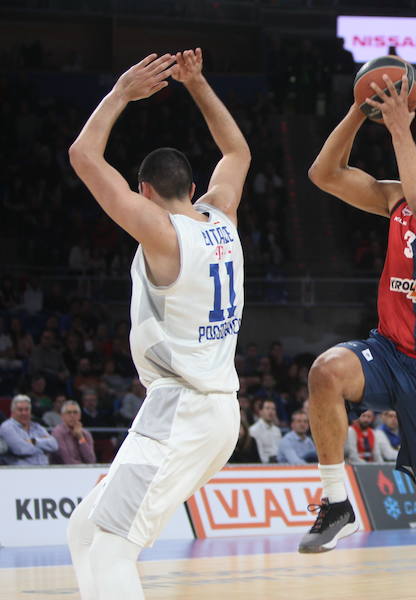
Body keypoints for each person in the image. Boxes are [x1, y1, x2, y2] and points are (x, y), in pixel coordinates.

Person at [66, 48, 250, 600]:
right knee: (84, 527)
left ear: (145, 192)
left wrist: (122, 92)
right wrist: (196, 84)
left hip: (182, 409)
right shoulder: (222, 214)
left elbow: (82, 154)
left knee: (113, 548)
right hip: (213, 411)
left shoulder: (160, 233)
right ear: (193, 189)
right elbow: (236, 149)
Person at [303, 71, 416, 600]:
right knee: (325, 372)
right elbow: (323, 173)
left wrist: (401, 128)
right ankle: (336, 501)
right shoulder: (395, 201)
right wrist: (361, 111)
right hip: (387, 349)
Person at [0, 394, 59, 465]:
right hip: (20, 472)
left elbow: (54, 445)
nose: (24, 413)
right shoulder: (7, 427)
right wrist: (43, 447)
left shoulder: (37, 427)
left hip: (44, 470)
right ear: (12, 412)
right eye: (20, 410)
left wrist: (34, 441)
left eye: (26, 409)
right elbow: (21, 449)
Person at [51, 400, 96, 464]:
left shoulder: (86, 434)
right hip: (63, 471)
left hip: (83, 471)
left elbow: (91, 460)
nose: (72, 415)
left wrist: (80, 437)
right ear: (62, 416)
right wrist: (84, 468)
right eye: (69, 412)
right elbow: (67, 460)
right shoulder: (57, 432)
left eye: (75, 412)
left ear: (80, 415)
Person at [250, 399, 282, 463]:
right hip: (265, 465)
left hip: (280, 463)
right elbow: (259, 454)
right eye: (267, 408)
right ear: (260, 411)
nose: (271, 411)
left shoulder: (277, 430)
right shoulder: (254, 430)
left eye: (273, 409)